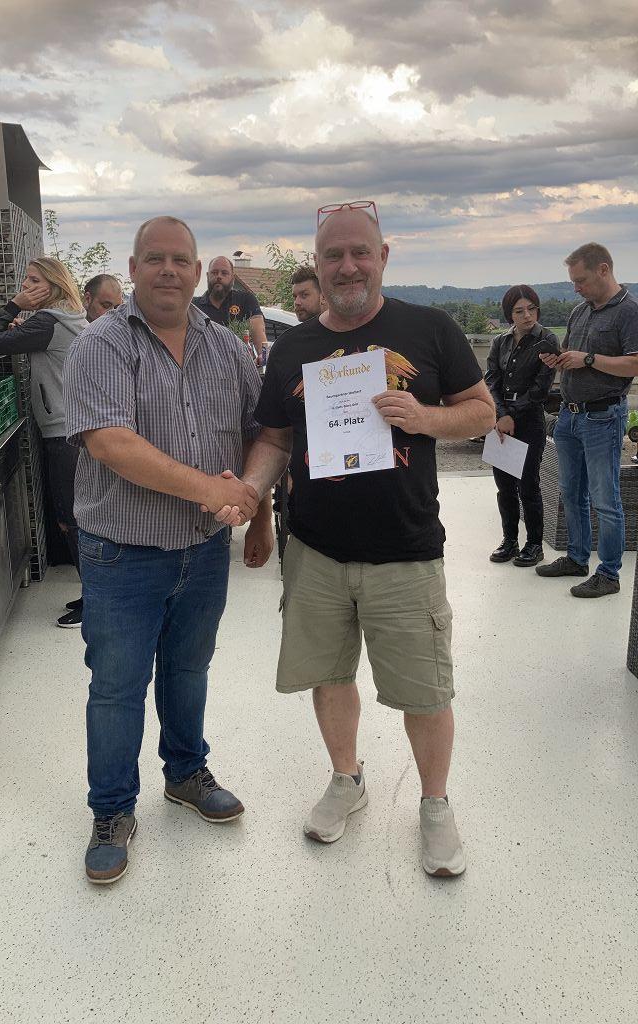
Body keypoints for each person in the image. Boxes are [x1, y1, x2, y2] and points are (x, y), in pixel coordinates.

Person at [212, 202, 495, 876]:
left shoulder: (429, 328)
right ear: (317, 264)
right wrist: (250, 493)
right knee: (330, 676)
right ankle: (348, 779)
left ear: (383, 256)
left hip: (406, 547)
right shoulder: (293, 348)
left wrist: (424, 417)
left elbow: (483, 412)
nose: (347, 266)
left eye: (359, 252)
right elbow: (275, 439)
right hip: (317, 549)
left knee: (426, 692)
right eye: (333, 255)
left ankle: (434, 805)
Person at [64, 216, 272, 885]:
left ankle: (185, 772)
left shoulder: (226, 348)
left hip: (204, 552)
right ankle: (111, 811)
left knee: (188, 670)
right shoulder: (101, 343)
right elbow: (111, 443)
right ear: (133, 269)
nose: (169, 271)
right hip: (122, 553)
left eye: (181, 260)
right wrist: (213, 492)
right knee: (118, 687)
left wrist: (258, 513)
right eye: (154, 259)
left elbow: (259, 433)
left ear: (199, 271)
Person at [0, 257, 87, 628]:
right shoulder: (66, 317)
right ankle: (95, 593)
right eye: (25, 280)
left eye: (33, 280)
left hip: (62, 432)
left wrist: (13, 306)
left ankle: (95, 603)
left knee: (70, 519)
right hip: (73, 428)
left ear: (53, 285)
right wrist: (23, 323)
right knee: (75, 515)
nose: (24, 286)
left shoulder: (47, 321)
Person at [536, 243, 638, 597]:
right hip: (570, 415)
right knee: (570, 492)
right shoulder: (580, 311)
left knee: (605, 499)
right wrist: (560, 360)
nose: (576, 288)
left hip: (603, 418)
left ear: (603, 270)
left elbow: (635, 363)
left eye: (580, 280)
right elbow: (573, 354)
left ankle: (609, 574)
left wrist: (589, 359)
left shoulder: (629, 311)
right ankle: (577, 558)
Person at [484, 286, 558, 567]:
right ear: (509, 315)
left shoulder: (546, 340)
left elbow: (540, 389)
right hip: (501, 420)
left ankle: (534, 544)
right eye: (519, 311)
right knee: (504, 486)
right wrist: (501, 415)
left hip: (529, 420)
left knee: (528, 485)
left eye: (531, 309)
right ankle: (510, 540)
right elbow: (491, 380)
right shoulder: (500, 342)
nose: (527, 315)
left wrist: (511, 415)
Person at [192, 256, 267, 354]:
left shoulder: (246, 300)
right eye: (214, 272)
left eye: (224, 273)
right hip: (205, 362)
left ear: (233, 278)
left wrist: (263, 356)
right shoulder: (194, 306)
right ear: (207, 276)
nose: (219, 276)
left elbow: (260, 335)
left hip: (239, 362)